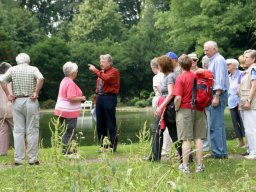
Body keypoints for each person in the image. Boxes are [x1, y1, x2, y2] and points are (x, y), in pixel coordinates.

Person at [0, 53, 44, 165]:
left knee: (18, 131)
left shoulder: (12, 69)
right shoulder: (33, 69)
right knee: (32, 130)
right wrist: (36, 92)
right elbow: (41, 78)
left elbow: (2, 81)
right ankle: (32, 159)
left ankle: (18, 160)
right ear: (28, 61)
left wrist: (8, 94)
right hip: (31, 100)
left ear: (17, 61)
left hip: (17, 101)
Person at [173, 54, 206, 174]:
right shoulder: (198, 76)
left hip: (185, 109)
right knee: (198, 138)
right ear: (191, 64)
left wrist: (176, 109)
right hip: (199, 109)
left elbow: (178, 98)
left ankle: (185, 166)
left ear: (180, 65)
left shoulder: (180, 78)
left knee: (186, 139)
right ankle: (200, 166)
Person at [149, 54, 182, 161]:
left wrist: (160, 107)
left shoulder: (170, 76)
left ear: (163, 66)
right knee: (172, 133)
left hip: (167, 109)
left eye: (159, 65)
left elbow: (171, 93)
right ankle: (186, 156)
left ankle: (155, 157)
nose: (158, 68)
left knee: (158, 131)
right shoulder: (167, 76)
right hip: (166, 108)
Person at [88, 54, 120, 152]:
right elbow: (98, 89)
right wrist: (95, 102)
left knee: (110, 122)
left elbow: (107, 79)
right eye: (100, 61)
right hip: (100, 98)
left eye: (103, 61)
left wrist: (95, 70)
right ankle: (103, 146)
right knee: (100, 124)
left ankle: (113, 146)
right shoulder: (101, 73)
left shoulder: (114, 71)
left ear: (109, 63)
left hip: (109, 98)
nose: (101, 63)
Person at [203, 41, 229, 159]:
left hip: (217, 94)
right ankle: (221, 152)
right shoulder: (214, 60)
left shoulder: (218, 60)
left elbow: (219, 79)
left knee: (215, 125)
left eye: (206, 50)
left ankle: (218, 153)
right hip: (215, 94)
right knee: (219, 125)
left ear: (214, 49)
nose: (205, 52)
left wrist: (216, 96)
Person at [54, 61, 86, 155]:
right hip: (69, 112)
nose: (77, 72)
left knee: (66, 131)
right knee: (70, 132)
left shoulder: (64, 80)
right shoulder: (70, 83)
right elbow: (71, 98)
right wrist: (82, 98)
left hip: (61, 110)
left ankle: (71, 151)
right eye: (76, 71)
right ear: (73, 72)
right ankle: (67, 152)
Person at [238, 49, 256, 159]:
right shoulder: (248, 70)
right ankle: (250, 149)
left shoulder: (253, 69)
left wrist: (249, 101)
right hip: (244, 103)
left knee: (251, 129)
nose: (244, 59)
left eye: (247, 57)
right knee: (248, 128)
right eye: (244, 57)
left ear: (254, 58)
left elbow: (254, 85)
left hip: (251, 104)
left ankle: (254, 153)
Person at [226, 58, 245, 147]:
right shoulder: (228, 77)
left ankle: (249, 141)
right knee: (235, 122)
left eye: (228, 64)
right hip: (231, 102)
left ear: (234, 65)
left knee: (243, 122)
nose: (227, 66)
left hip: (241, 102)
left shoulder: (242, 74)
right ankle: (240, 142)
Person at [0, 62, 13, 156]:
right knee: (17, 130)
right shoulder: (10, 80)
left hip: (0, 110)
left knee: (2, 131)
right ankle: (20, 151)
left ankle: (2, 152)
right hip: (11, 108)